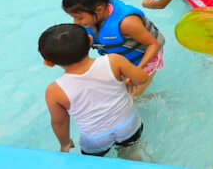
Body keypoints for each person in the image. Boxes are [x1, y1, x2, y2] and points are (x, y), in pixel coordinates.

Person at [38, 24, 148, 156]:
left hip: (95, 138)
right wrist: (128, 82)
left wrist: (65, 143)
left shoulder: (54, 91)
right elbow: (142, 78)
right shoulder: (114, 61)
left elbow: (59, 122)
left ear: (49, 63)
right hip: (128, 124)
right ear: (90, 40)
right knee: (133, 155)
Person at [62, 0, 165, 95]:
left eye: (79, 17)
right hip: (122, 57)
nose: (76, 23)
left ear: (99, 10)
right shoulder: (92, 16)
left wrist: (137, 69)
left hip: (146, 56)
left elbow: (153, 44)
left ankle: (157, 96)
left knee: (131, 97)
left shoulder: (126, 23)